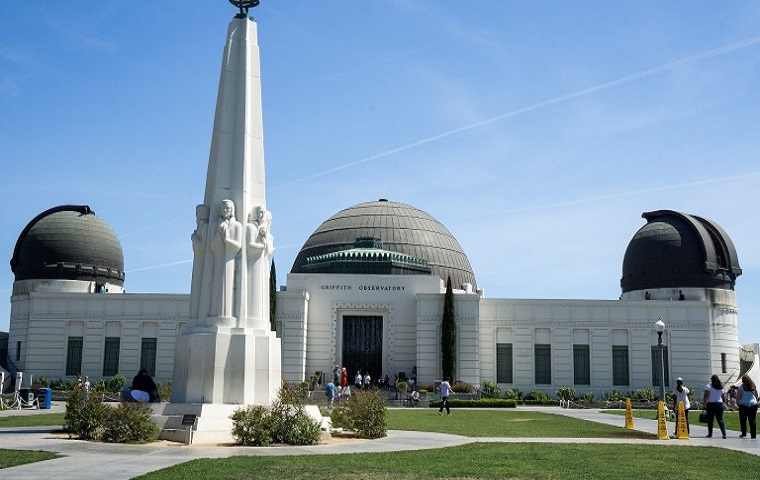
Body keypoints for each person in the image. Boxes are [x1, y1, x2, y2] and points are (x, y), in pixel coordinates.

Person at [702, 374, 727, 438]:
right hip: (719, 404)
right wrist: (724, 403)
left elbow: (706, 396)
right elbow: (723, 396)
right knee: (720, 419)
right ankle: (724, 433)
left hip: (711, 404)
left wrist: (704, 404)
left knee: (710, 420)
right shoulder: (720, 387)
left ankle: (710, 434)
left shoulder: (709, 386)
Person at [735, 374, 758, 439]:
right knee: (752, 420)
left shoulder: (741, 387)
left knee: (743, 420)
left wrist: (737, 403)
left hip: (744, 405)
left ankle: (744, 433)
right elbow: (756, 395)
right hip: (753, 404)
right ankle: (753, 435)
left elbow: (738, 397)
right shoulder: (753, 386)